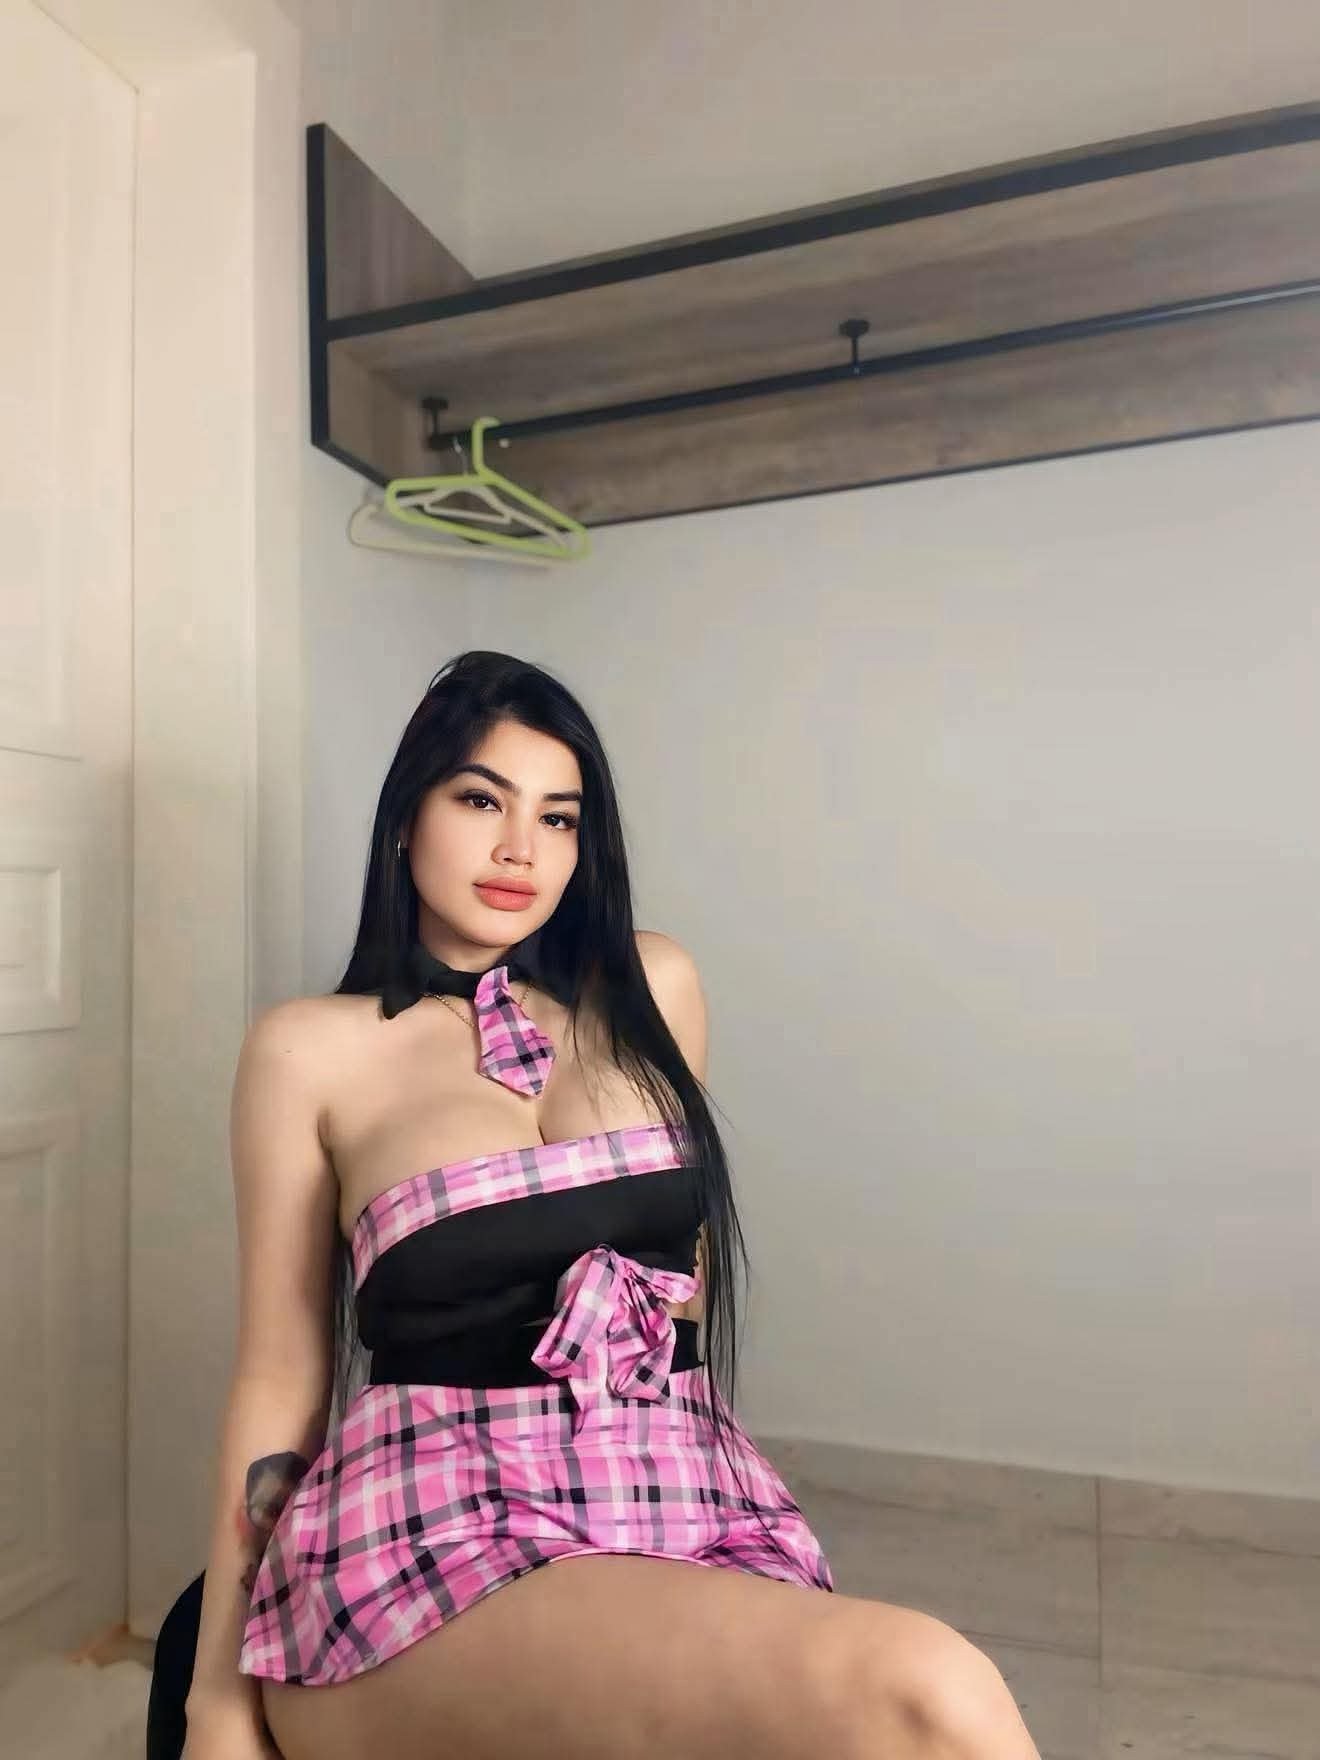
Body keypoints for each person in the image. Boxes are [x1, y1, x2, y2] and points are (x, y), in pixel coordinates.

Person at [158, 650, 1041, 1759]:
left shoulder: (655, 988)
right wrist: (217, 1697)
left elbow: (682, 1288)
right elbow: (279, 1378)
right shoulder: (309, 1051)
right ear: (406, 816)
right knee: (928, 1689)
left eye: (558, 817)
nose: (521, 849)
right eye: (481, 800)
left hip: (685, 1497)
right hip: (430, 1532)